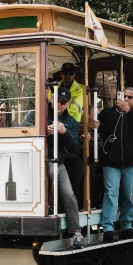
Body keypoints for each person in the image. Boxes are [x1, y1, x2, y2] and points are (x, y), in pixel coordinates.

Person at [23, 87, 84, 249]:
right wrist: (43, 130)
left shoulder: (70, 122)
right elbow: (24, 130)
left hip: (56, 160)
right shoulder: (36, 114)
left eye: (62, 102)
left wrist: (64, 132)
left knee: (69, 194)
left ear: (68, 104)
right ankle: (47, 206)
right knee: (51, 170)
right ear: (50, 98)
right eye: (56, 100)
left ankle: (76, 232)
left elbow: (74, 148)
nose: (58, 104)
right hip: (34, 161)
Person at [98, 86, 133, 243]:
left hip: (130, 163)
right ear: (118, 96)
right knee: (111, 193)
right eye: (123, 96)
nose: (126, 99)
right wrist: (94, 126)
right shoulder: (107, 113)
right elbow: (99, 129)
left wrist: (128, 111)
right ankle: (108, 229)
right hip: (110, 162)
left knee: (127, 194)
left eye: (129, 97)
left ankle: (126, 226)